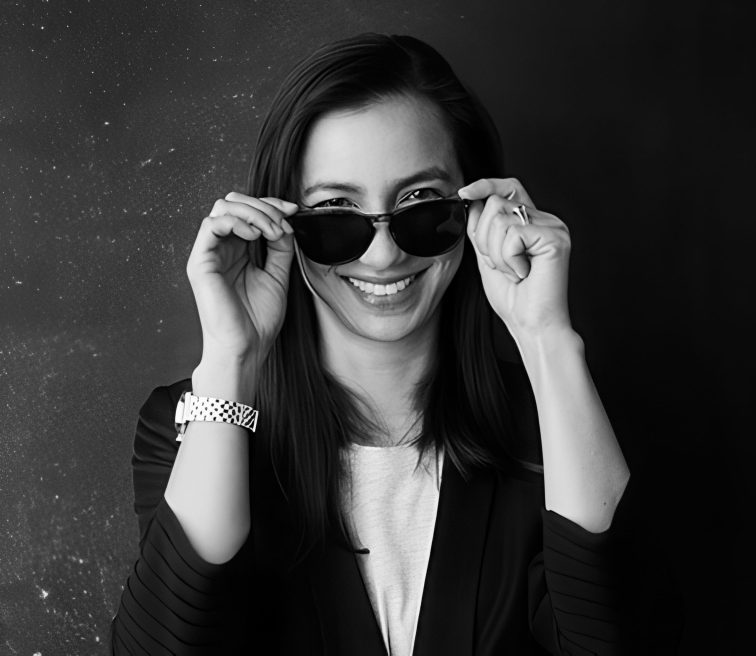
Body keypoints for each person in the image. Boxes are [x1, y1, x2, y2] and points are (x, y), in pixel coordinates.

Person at [111, 33, 637, 655]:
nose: (384, 254)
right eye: (336, 212)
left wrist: (546, 336)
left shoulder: (558, 425)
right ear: (282, 225)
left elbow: (620, 643)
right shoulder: (189, 427)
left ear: (478, 208)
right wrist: (232, 358)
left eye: (420, 205)